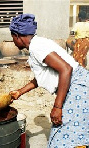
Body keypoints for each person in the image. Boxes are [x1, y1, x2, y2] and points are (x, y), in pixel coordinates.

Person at [9, 14, 89, 147]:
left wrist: (57, 107)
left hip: (78, 87)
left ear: (17, 35)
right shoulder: (37, 44)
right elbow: (42, 77)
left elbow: (66, 69)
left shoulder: (37, 47)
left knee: (64, 138)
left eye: (12, 37)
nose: (13, 41)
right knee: (70, 134)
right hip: (76, 84)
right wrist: (19, 92)